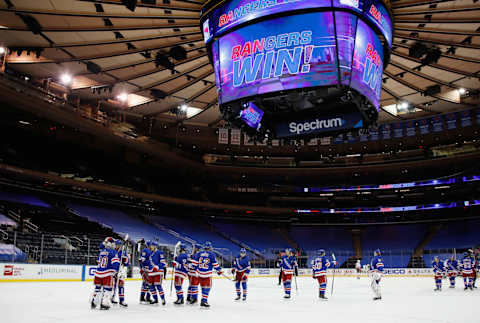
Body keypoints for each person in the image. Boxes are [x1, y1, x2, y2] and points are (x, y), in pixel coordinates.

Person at [91, 237, 120, 310]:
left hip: (98, 273)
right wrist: (116, 271)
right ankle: (104, 303)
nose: (114, 245)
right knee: (108, 289)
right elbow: (115, 263)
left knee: (97, 288)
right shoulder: (113, 252)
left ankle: (94, 302)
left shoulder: (102, 251)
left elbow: (98, 262)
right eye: (113, 243)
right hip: (107, 273)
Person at [191, 241, 223, 307]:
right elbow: (215, 264)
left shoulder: (199, 253)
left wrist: (194, 268)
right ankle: (204, 300)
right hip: (207, 274)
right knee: (207, 287)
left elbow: (194, 264)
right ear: (209, 247)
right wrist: (219, 270)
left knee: (201, 286)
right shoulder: (212, 254)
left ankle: (196, 299)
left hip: (199, 274)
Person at [112, 239, 129, 307]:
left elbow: (127, 262)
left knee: (121, 286)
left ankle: (122, 300)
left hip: (121, 271)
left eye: (119, 245)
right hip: (113, 270)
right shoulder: (112, 252)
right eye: (116, 245)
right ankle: (111, 298)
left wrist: (125, 262)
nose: (118, 246)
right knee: (113, 286)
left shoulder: (123, 253)